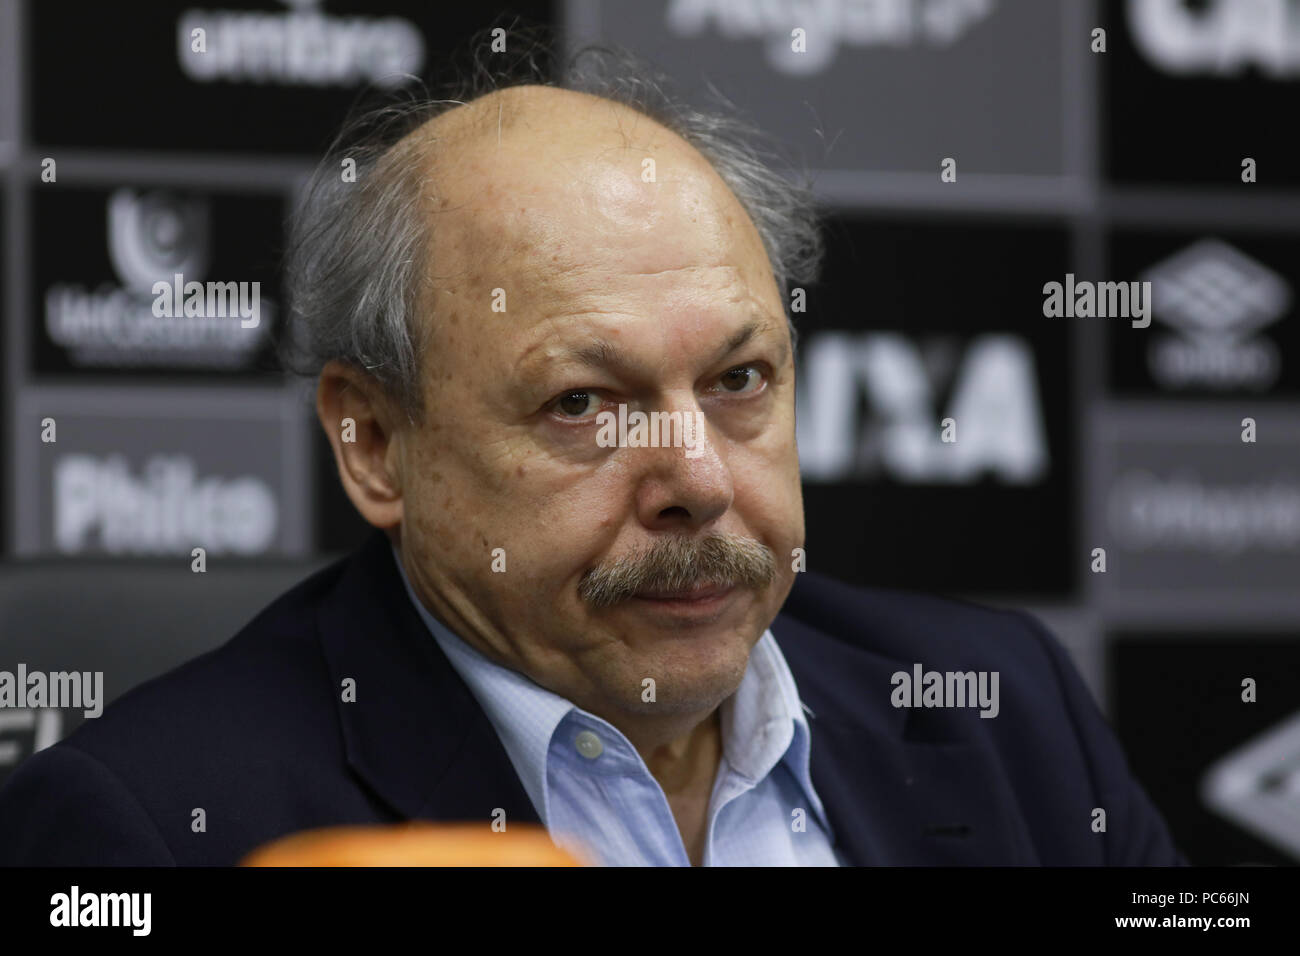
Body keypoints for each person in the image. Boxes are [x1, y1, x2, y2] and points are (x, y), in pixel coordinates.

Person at [0, 39, 1185, 867]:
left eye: (737, 382)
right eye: (582, 404)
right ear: (373, 443)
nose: (702, 479)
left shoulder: (1001, 711)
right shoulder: (159, 825)